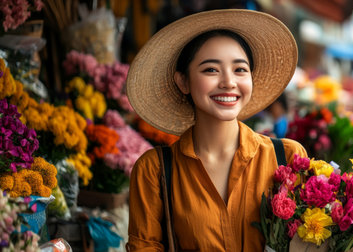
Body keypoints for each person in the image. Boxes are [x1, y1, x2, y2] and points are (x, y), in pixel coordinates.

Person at [125, 9, 307, 251]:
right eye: (211, 69)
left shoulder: (287, 157)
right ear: (183, 82)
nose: (228, 82)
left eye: (240, 69)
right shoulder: (154, 170)